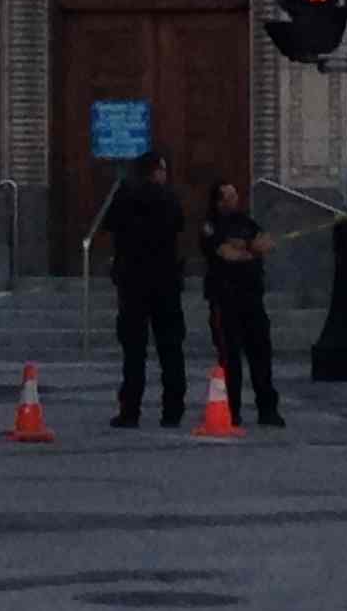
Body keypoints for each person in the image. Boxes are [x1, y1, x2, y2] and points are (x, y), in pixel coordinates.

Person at [102, 150, 187, 428]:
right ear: (156, 171)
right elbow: (179, 223)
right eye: (162, 170)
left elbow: (109, 223)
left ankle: (130, 410)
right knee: (170, 348)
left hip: (133, 282)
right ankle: (172, 409)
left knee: (134, 351)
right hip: (164, 282)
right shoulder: (168, 197)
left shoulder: (126, 195)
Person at [200, 180, 282, 427]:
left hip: (252, 298)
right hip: (225, 300)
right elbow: (227, 254)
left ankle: (267, 410)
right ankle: (231, 410)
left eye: (235, 195)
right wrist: (248, 249)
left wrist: (247, 247)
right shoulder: (210, 226)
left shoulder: (246, 222)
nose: (235, 200)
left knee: (261, 354)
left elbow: (267, 243)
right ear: (219, 201)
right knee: (230, 357)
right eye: (229, 196)